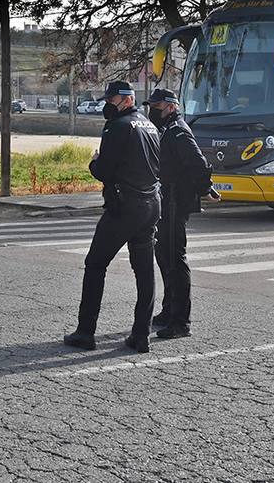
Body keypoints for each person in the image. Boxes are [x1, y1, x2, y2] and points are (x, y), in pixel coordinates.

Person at [64, 80, 161, 354]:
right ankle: (141, 335)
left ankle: (85, 332)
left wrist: (93, 162)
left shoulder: (116, 127)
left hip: (125, 207)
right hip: (151, 203)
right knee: (144, 271)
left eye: (111, 101)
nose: (108, 105)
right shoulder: (149, 125)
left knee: (95, 264)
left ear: (127, 99)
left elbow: (104, 171)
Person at [147, 87, 219, 339]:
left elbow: (198, 163)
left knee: (175, 259)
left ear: (171, 106)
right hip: (166, 200)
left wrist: (206, 188)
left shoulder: (178, 131)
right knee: (164, 257)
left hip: (176, 201)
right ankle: (169, 311)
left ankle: (181, 321)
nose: (152, 111)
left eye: (156, 107)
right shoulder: (167, 129)